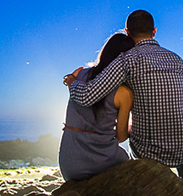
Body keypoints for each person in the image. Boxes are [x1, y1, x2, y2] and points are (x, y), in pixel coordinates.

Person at [63, 10, 183, 189]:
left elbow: (87, 96)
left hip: (148, 154)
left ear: (127, 32)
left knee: (131, 146)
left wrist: (72, 82)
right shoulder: (179, 62)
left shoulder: (127, 60)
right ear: (154, 31)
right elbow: (180, 101)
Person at [58, 32, 136, 181]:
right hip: (104, 162)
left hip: (70, 164)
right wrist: (133, 129)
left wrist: (71, 80)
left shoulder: (78, 76)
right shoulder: (124, 93)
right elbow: (121, 136)